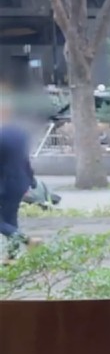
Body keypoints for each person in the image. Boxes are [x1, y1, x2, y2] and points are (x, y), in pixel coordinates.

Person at [0, 88, 39, 258]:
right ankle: (12, 257)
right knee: (10, 219)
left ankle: (27, 240)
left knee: (4, 222)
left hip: (4, 184)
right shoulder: (20, 134)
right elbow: (25, 159)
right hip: (19, 183)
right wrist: (31, 179)